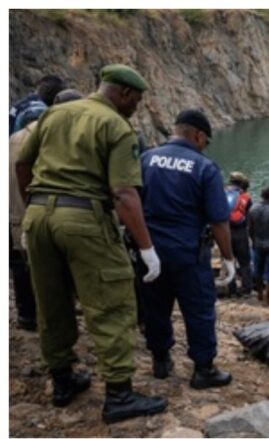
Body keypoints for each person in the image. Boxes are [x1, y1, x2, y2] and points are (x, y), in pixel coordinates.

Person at [15, 64, 166, 423]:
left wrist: (34, 206)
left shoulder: (55, 113)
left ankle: (62, 381)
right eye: (137, 100)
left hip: (38, 218)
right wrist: (147, 249)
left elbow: (22, 163)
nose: (137, 108)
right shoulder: (116, 126)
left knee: (51, 302)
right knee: (112, 303)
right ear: (124, 94)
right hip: (83, 220)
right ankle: (119, 395)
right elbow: (124, 193)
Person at [140, 109, 236, 390]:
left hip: (151, 251)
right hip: (188, 253)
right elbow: (219, 220)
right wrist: (228, 258)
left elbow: (129, 201)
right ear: (198, 135)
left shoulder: (146, 159)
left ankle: (160, 361)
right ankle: (203, 369)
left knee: (155, 306)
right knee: (199, 310)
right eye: (206, 141)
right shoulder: (204, 168)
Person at [9, 88, 84, 332]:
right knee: (54, 268)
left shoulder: (11, 139)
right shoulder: (53, 136)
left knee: (22, 264)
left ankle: (27, 315)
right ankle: (56, 316)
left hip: (17, 212)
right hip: (47, 210)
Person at [224, 171, 253, 297]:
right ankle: (246, 289)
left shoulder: (222, 193)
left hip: (225, 231)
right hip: (240, 232)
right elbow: (250, 216)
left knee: (228, 260)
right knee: (245, 262)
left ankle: (231, 290)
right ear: (241, 183)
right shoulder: (245, 197)